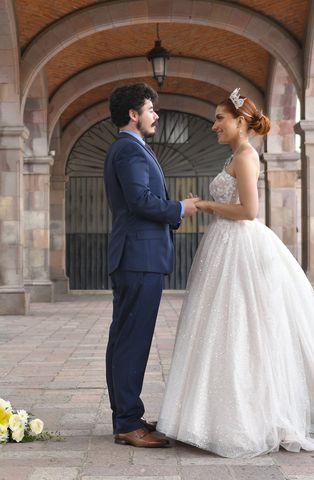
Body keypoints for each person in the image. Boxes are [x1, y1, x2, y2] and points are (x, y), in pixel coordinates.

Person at [156, 88, 314, 458]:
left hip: (240, 246)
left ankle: (250, 416)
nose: (214, 126)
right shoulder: (235, 155)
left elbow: (248, 211)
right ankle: (209, 416)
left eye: (219, 119)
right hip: (224, 247)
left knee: (244, 329)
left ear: (240, 121)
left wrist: (206, 204)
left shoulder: (245, 156)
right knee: (221, 330)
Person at [103, 83, 200, 448]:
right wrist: (180, 209)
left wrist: (175, 208)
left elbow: (141, 200)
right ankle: (128, 421)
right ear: (133, 114)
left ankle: (127, 417)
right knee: (132, 340)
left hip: (137, 256)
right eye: (150, 109)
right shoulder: (129, 150)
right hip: (138, 258)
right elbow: (140, 200)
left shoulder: (133, 149)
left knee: (125, 338)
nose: (155, 115)